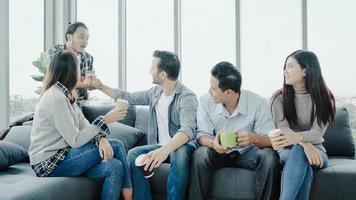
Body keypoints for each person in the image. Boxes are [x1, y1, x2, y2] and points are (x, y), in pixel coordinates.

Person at [92, 50, 198, 200]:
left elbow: (187, 130)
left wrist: (164, 151)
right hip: (159, 146)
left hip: (180, 146)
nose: (149, 70)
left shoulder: (187, 97)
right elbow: (127, 97)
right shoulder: (155, 93)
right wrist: (100, 86)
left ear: (163, 74)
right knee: (133, 154)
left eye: (153, 67)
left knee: (179, 153)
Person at [28, 51, 132, 200]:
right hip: (49, 162)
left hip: (65, 155)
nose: (80, 72)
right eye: (78, 68)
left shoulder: (67, 95)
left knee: (114, 167)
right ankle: (130, 196)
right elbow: (75, 140)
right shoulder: (55, 98)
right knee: (116, 145)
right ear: (70, 71)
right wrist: (106, 120)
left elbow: (85, 125)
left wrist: (101, 139)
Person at [189, 62, 280, 200]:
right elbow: (201, 135)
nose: (209, 91)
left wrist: (254, 138)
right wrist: (214, 143)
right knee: (200, 154)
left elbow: (271, 140)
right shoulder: (205, 101)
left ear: (229, 93)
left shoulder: (258, 103)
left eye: (213, 89)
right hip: (218, 154)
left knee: (269, 156)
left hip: (249, 154)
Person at [270, 50, 335, 200]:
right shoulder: (279, 99)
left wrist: (302, 143)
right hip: (287, 151)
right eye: (285, 67)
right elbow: (284, 131)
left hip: (317, 152)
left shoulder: (325, 98)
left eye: (290, 66)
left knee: (301, 154)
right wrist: (305, 144)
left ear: (305, 70)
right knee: (303, 161)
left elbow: (317, 133)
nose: (285, 71)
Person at [47, 21, 95, 102]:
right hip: (60, 99)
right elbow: (56, 81)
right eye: (81, 37)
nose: (85, 42)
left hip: (81, 102)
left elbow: (91, 84)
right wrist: (84, 83)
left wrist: (91, 83)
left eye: (87, 38)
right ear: (69, 37)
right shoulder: (56, 52)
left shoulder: (88, 57)